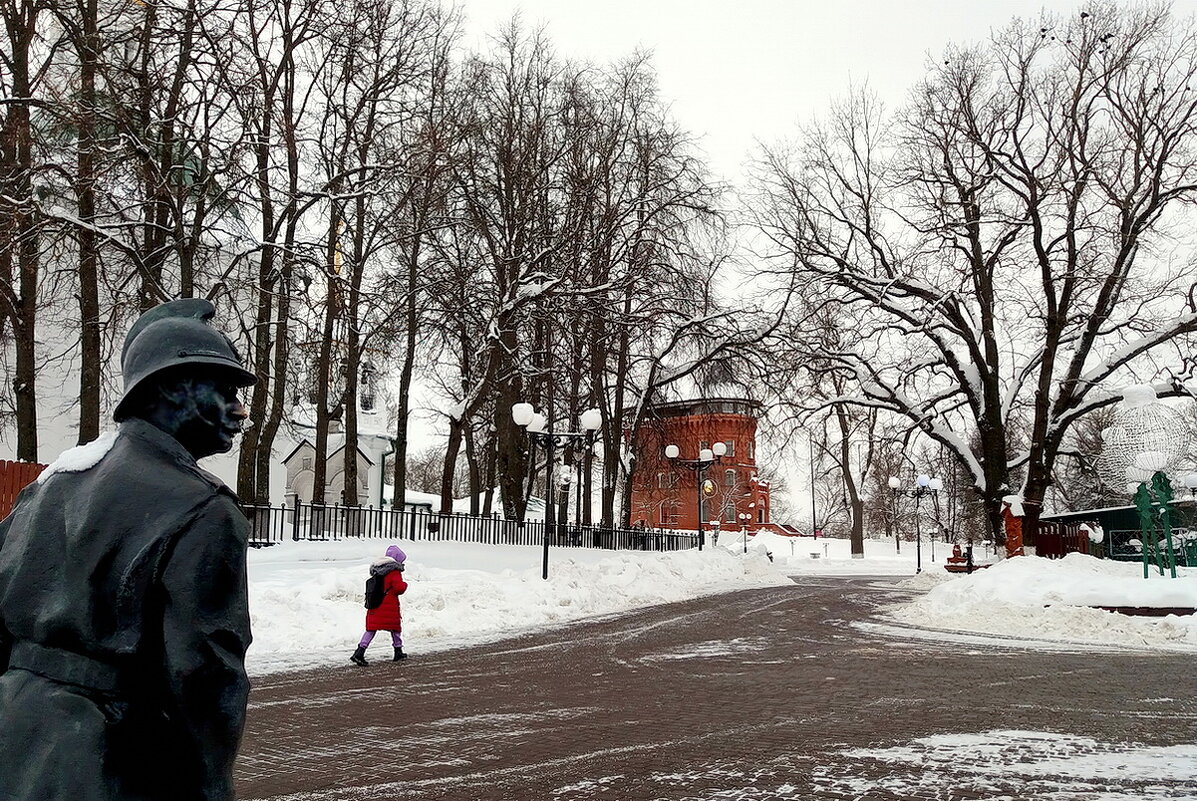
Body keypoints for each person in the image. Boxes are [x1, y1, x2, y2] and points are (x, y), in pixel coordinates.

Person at [0, 298, 256, 801]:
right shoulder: (204, 508)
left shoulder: (52, 486)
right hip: (116, 761)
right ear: (166, 388)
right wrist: (212, 787)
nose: (240, 409)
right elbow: (205, 679)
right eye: (224, 390)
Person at [350, 544, 409, 666]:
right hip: (388, 605)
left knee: (371, 629)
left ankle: (359, 652)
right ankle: (398, 651)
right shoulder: (394, 571)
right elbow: (399, 588)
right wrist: (405, 585)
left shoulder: (379, 568)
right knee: (395, 628)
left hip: (376, 603)